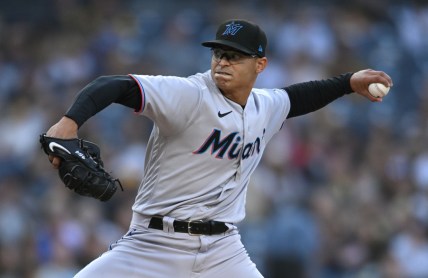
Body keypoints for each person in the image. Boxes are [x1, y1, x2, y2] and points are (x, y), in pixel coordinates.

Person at [44, 19, 393, 277]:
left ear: (260, 65)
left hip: (223, 250)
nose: (222, 62)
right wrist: (68, 123)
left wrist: (348, 82)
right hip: (153, 244)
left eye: (235, 56)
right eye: (219, 53)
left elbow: (300, 97)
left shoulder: (264, 106)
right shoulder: (190, 95)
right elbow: (114, 85)